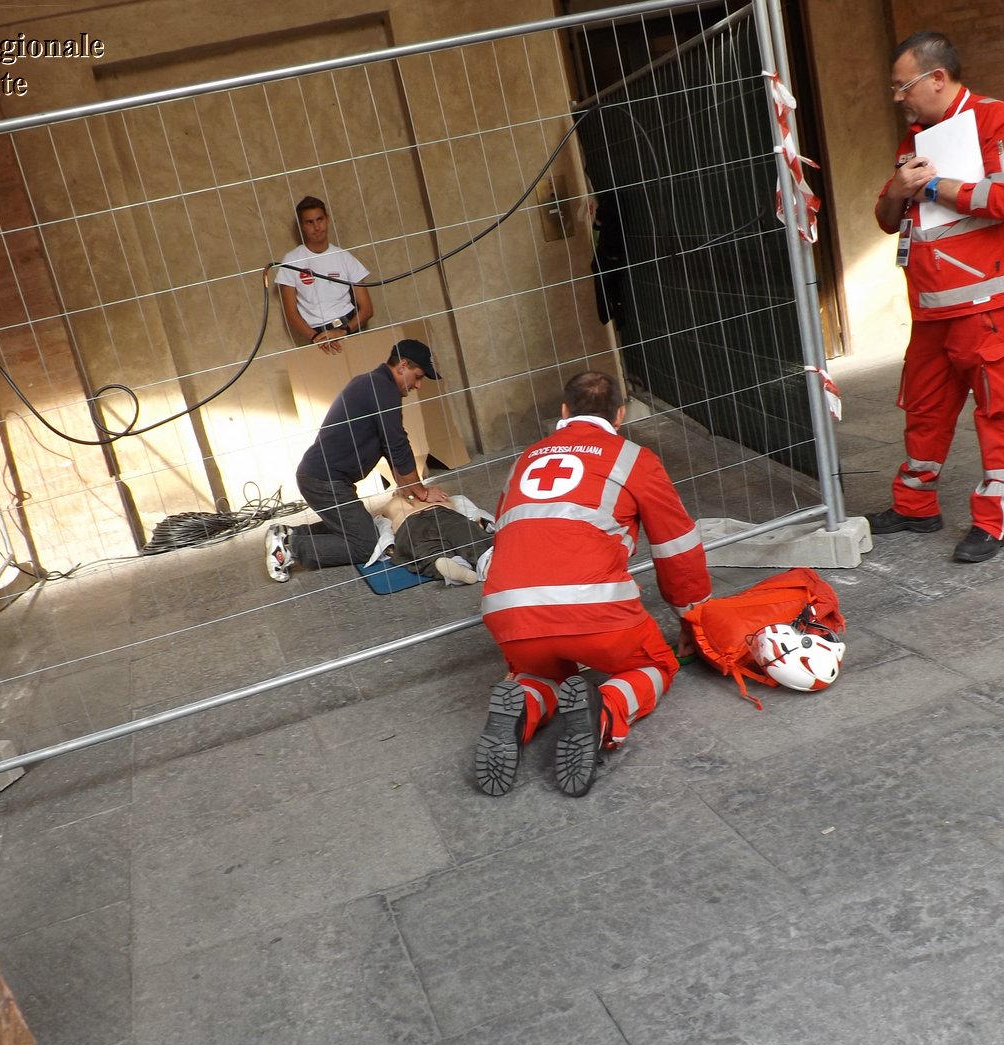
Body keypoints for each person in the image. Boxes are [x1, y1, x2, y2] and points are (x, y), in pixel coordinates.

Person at [473, 370, 711, 798]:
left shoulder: (525, 460)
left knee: (539, 673)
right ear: (619, 415)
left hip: (510, 617)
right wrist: (694, 615)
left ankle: (522, 709)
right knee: (654, 664)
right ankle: (604, 712)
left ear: (563, 413)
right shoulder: (634, 459)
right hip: (596, 615)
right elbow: (676, 546)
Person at [869, 31, 1004, 563]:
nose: (898, 98)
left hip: (985, 305)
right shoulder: (916, 137)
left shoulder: (997, 120)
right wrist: (899, 190)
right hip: (931, 307)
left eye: (903, 86)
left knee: (998, 409)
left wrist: (935, 186)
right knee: (923, 407)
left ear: (936, 78)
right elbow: (887, 218)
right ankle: (915, 506)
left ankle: (993, 521)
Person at [265, 339, 448, 580]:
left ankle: (289, 534)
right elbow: (398, 445)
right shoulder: (383, 390)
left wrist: (406, 489)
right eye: (417, 376)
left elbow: (388, 446)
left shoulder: (374, 384)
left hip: (324, 478)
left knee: (360, 527)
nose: (418, 385)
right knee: (366, 544)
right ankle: (290, 549)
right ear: (402, 365)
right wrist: (422, 493)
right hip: (323, 481)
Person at [275, 196, 374, 355]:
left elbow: (367, 309)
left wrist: (344, 331)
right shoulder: (291, 261)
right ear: (302, 226)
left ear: (327, 220)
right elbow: (291, 314)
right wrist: (315, 337)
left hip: (349, 328)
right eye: (309, 222)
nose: (317, 227)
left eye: (320, 219)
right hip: (318, 338)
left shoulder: (344, 257)